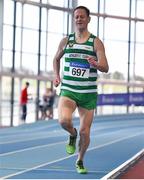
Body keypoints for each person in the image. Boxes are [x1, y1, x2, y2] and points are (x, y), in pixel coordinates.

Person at [53, 6, 109, 174]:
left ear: (88, 19)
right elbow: (56, 59)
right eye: (76, 17)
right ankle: (72, 133)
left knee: (85, 132)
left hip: (88, 94)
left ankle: (80, 160)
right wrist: (56, 76)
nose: (79, 19)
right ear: (74, 19)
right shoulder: (66, 41)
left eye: (82, 17)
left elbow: (105, 67)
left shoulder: (95, 42)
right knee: (63, 121)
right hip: (68, 90)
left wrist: (96, 64)